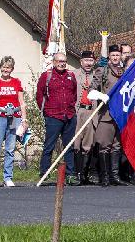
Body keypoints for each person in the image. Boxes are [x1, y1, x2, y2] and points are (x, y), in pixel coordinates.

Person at [35, 52, 80, 185]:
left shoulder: (71, 76)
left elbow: (74, 94)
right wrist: (45, 111)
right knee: (49, 146)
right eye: (59, 61)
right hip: (53, 116)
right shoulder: (46, 76)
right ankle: (45, 173)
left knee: (69, 147)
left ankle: (70, 175)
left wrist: (71, 109)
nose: (62, 63)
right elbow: (39, 95)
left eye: (64, 61)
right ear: (54, 62)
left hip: (70, 116)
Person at [0, 56, 27, 188]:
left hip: (14, 117)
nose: (5, 69)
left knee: (10, 148)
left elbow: (22, 103)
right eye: (3, 67)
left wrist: (24, 120)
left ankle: (8, 177)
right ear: (0, 67)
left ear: (12, 69)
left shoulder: (16, 82)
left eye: (8, 67)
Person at [93, 44, 127, 186]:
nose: (115, 58)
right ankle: (105, 176)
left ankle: (115, 176)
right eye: (112, 55)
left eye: (117, 55)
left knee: (117, 146)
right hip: (106, 113)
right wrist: (102, 96)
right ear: (109, 57)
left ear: (120, 56)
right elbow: (92, 89)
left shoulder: (125, 71)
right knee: (104, 145)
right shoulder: (102, 71)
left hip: (120, 114)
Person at [71, 49, 99, 184]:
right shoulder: (73, 74)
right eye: (86, 60)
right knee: (76, 142)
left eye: (91, 61)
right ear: (81, 62)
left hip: (92, 111)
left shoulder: (97, 75)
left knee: (88, 143)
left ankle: (86, 173)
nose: (88, 63)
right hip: (78, 111)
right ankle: (77, 173)